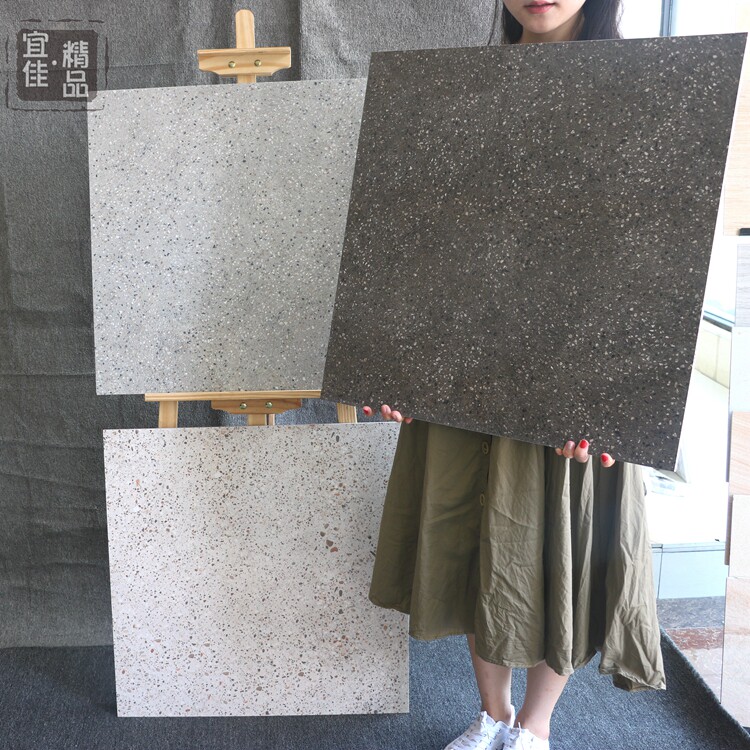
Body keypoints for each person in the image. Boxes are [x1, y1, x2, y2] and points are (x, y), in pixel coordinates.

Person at [361, 1, 667, 749]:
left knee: (560, 546)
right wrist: (396, 360)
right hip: (467, 365)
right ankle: (492, 714)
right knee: (474, 538)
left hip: (578, 367)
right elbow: (421, 235)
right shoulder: (460, 91)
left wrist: (608, 394)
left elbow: (651, 250)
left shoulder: (641, 86)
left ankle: (535, 726)